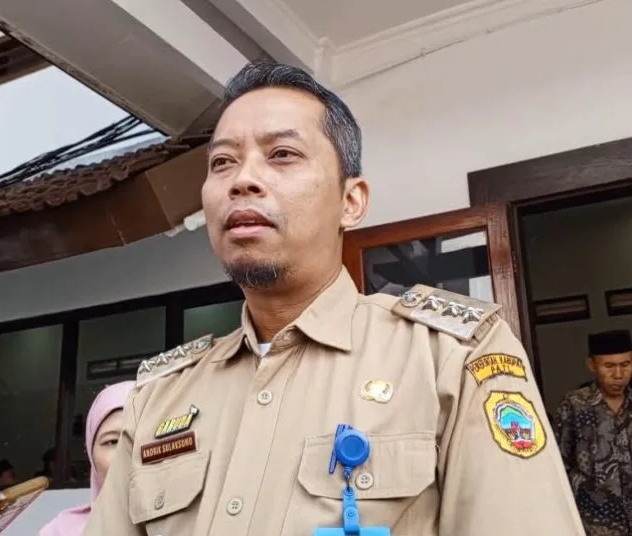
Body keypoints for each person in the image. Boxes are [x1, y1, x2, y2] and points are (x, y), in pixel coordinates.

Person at [83, 61, 584, 535]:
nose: (242, 180)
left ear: (351, 201)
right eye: (222, 162)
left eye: (282, 154)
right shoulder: (159, 396)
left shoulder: (450, 358)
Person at [554, 329, 632, 536]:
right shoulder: (575, 405)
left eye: (625, 365)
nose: (618, 375)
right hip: (595, 524)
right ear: (592, 365)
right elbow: (559, 465)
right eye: (609, 366)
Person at [40, 381, 135, 536]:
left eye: (141, 438)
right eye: (112, 441)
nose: (128, 454)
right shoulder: (60, 532)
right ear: (91, 453)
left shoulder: (179, 526)